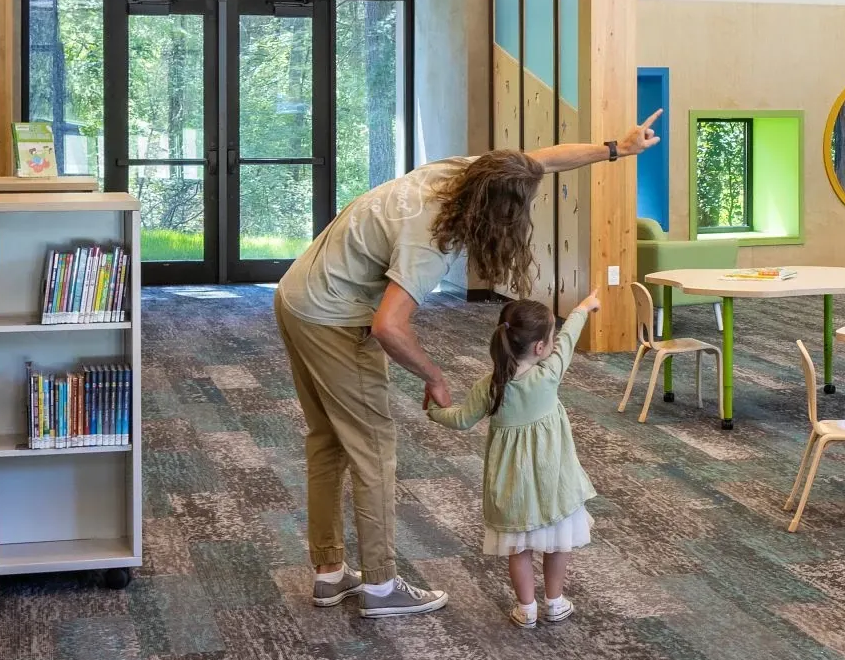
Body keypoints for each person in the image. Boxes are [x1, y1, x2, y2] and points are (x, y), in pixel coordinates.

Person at [274, 113, 661, 618]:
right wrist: (434, 376)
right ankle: (380, 585)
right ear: (499, 213)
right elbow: (389, 327)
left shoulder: (465, 174)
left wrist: (617, 149)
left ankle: (329, 573)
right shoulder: (429, 239)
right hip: (334, 318)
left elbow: (542, 161)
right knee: (373, 450)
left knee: (328, 442)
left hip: (297, 294)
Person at [425, 291, 600, 628]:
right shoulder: (548, 375)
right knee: (557, 542)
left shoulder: (491, 386)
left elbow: (460, 419)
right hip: (553, 483)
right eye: (549, 339)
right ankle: (555, 601)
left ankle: (527, 608)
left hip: (512, 486)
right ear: (540, 348)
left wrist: (433, 410)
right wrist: (583, 308)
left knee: (518, 547)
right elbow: (569, 338)